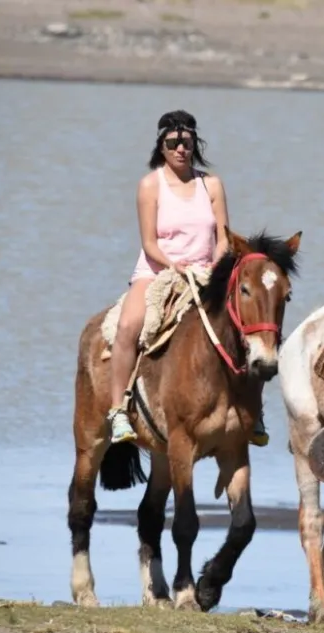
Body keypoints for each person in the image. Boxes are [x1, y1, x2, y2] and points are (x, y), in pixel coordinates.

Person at [107, 109, 268, 447]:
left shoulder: (211, 184)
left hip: (207, 270)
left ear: (195, 143)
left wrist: (216, 265)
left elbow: (224, 235)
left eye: (187, 142)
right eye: (173, 142)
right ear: (161, 145)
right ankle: (118, 409)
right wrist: (174, 266)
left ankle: (255, 410)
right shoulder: (150, 185)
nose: (180, 149)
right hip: (157, 270)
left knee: (250, 325)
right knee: (128, 326)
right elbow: (150, 243)